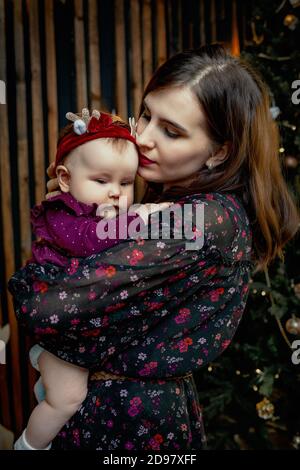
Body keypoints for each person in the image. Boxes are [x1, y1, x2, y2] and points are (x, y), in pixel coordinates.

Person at [9, 44, 299, 451]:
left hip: (128, 426)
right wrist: (74, 204)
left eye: (171, 131)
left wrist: (35, 275)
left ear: (219, 152)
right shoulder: (175, 203)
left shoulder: (201, 220)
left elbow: (44, 308)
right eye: (146, 114)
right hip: (111, 411)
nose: (142, 137)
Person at [13, 109, 171, 450]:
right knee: (67, 399)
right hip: (56, 336)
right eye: (101, 181)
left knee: (68, 398)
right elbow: (93, 238)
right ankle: (27, 445)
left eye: (126, 182)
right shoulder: (61, 214)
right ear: (65, 179)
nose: (115, 192)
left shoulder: (112, 213)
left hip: (85, 332)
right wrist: (141, 218)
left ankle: (47, 395)